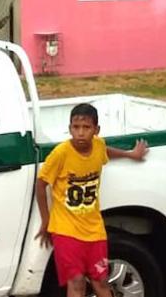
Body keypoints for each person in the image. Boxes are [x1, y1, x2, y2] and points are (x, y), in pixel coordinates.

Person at [35, 103, 150, 297]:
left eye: (86, 128)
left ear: (96, 130)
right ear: (70, 128)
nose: (80, 133)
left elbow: (105, 151)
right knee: (77, 282)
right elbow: (40, 184)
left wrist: (131, 155)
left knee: (101, 281)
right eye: (75, 127)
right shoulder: (61, 154)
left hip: (95, 231)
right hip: (66, 231)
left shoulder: (98, 145)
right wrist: (46, 220)